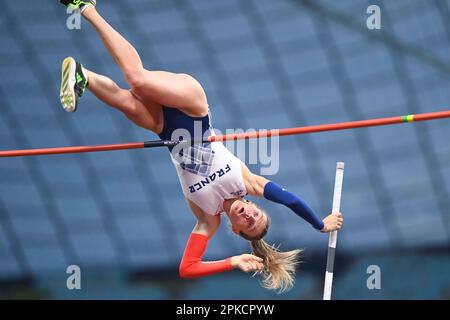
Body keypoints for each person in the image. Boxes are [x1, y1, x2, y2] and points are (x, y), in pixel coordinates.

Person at [58, 0, 343, 293]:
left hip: (164, 129)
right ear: (252, 205)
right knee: (138, 81)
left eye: (248, 224)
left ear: (236, 229)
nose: (249, 216)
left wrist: (232, 262)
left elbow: (187, 268)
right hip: (192, 107)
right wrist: (318, 225)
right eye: (255, 214)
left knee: (123, 100)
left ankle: (83, 75)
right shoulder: (248, 183)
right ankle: (87, 7)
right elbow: (289, 199)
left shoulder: (207, 219)